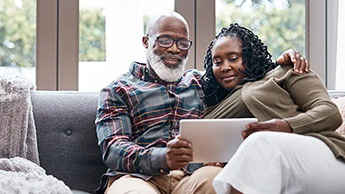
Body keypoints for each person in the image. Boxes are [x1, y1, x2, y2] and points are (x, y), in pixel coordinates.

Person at [95, 12, 308, 194]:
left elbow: (246, 76)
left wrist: (282, 64)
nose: (174, 49)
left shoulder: (200, 82)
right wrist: (163, 158)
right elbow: (113, 149)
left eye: (182, 43)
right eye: (165, 40)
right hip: (137, 178)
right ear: (146, 42)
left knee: (222, 182)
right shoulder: (118, 89)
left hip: (192, 176)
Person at [201, 23, 345, 194]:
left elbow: (330, 112)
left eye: (233, 58)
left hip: (326, 156)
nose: (225, 67)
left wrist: (286, 126)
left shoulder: (286, 71)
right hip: (268, 167)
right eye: (217, 62)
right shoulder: (214, 104)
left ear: (251, 55)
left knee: (260, 142)